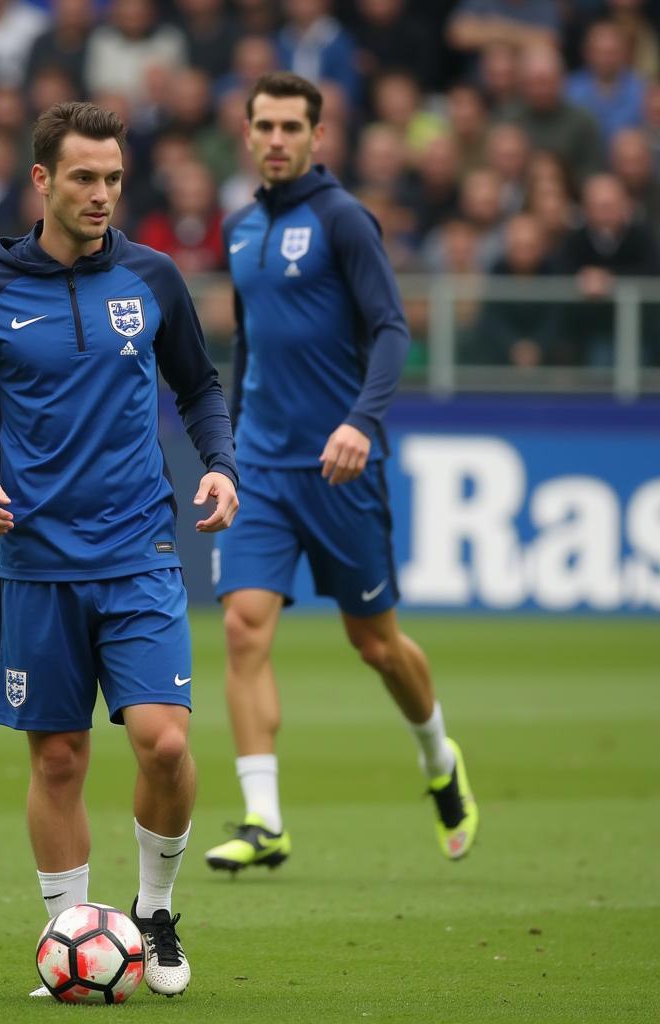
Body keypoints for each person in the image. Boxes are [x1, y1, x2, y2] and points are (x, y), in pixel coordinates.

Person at [0, 101, 238, 998]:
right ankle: (68, 936)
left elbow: (200, 386)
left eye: (112, 177)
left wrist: (220, 466)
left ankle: (153, 914)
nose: (103, 194)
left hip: (140, 549)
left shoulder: (152, 278)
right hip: (36, 564)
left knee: (165, 745)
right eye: (84, 178)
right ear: (42, 182)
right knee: (58, 758)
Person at [205, 72, 478, 875]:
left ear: (318, 137)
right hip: (260, 463)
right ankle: (264, 821)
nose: (278, 138)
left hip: (339, 471)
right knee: (241, 625)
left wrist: (361, 422)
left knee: (376, 644)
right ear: (247, 133)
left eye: (294, 125)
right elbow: (249, 346)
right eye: (265, 125)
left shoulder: (345, 220)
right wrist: (226, 444)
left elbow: (391, 330)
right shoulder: (239, 227)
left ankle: (437, 757)